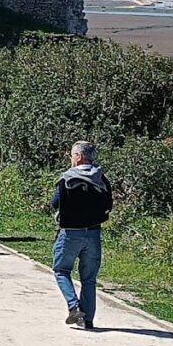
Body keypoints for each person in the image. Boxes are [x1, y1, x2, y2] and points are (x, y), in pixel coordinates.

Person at [50, 141, 113, 330]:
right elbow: (108, 205)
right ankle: (88, 319)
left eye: (72, 155)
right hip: (93, 233)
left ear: (78, 157)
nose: (71, 158)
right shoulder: (101, 179)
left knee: (61, 270)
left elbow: (55, 203)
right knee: (89, 279)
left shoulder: (67, 179)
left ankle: (74, 306)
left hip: (70, 233)